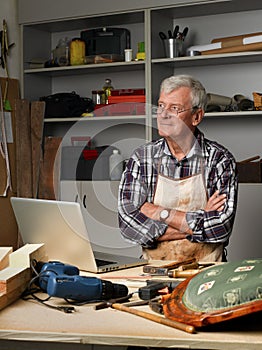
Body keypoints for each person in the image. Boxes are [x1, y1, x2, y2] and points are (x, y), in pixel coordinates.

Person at [118, 74, 238, 262]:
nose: (163, 114)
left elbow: (220, 227)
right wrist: (200, 218)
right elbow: (128, 226)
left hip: (207, 272)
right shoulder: (142, 159)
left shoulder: (219, 160)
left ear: (196, 116)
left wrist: (159, 212)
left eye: (175, 108)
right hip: (154, 271)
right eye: (161, 105)